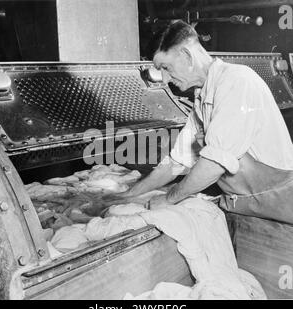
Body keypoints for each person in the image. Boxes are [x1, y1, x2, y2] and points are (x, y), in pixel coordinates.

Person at [104, 20, 293, 224]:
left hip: (280, 209)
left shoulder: (237, 81)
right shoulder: (203, 98)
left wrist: (169, 198)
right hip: (246, 207)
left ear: (187, 56)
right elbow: (177, 162)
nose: (165, 79)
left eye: (166, 67)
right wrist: (128, 195)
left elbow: (214, 163)